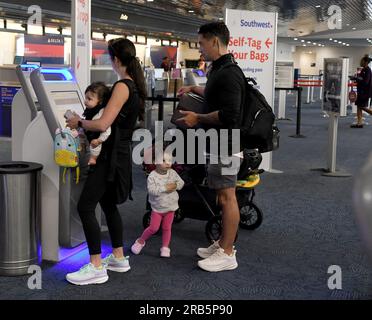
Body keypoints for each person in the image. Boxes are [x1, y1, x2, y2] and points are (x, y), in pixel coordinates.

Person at [65, 38, 146, 285]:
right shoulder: (134, 85)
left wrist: (78, 122)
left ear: (116, 59)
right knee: (108, 205)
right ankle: (119, 258)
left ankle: (96, 266)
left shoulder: (122, 86)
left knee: (86, 207)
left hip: (109, 157)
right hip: (118, 155)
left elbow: (102, 124)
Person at [177, 22, 245, 272]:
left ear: (215, 41)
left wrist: (198, 118)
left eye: (202, 44)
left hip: (227, 144)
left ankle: (228, 253)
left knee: (228, 198)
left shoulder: (229, 73)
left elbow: (230, 115)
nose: (200, 50)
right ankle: (223, 244)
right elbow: (217, 96)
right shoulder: (221, 69)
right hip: (218, 143)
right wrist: (196, 89)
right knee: (221, 195)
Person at [131, 149, 184, 258]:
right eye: (164, 160)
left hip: (171, 207)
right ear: (155, 162)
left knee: (167, 228)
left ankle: (165, 247)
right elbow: (152, 191)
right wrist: (165, 188)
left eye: (169, 160)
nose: (168, 163)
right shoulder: (152, 176)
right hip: (157, 208)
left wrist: (175, 186)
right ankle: (140, 241)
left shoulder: (172, 173)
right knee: (153, 228)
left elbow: (181, 183)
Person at [82, 82, 111, 166]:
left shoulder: (101, 113)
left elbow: (107, 130)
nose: (85, 101)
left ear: (100, 101)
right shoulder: (90, 110)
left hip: (97, 139)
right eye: (85, 98)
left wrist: (99, 140)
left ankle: (93, 158)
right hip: (89, 138)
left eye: (89, 99)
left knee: (95, 146)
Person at [351, 55, 372, 128]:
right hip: (361, 91)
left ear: (366, 62)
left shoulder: (368, 70)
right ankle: (359, 123)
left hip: (365, 92)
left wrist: (357, 79)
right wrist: (355, 78)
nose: (361, 62)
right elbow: (361, 78)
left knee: (362, 107)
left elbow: (366, 82)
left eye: (362, 60)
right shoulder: (363, 69)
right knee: (359, 107)